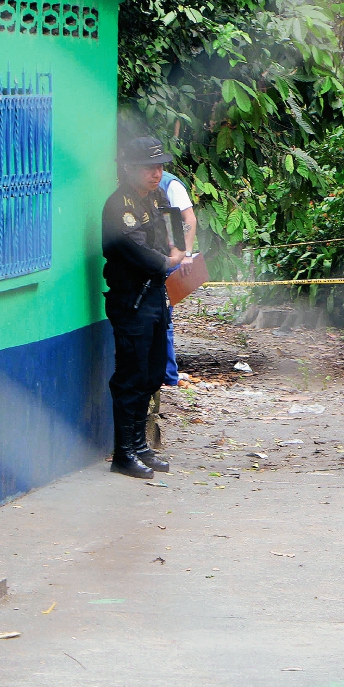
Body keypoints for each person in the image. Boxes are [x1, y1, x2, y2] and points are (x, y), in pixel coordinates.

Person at [102, 137, 185, 479]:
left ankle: (139, 445)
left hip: (153, 297)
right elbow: (141, 254)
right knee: (130, 377)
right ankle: (124, 452)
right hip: (131, 300)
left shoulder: (152, 198)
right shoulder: (119, 205)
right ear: (130, 168)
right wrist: (172, 259)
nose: (157, 173)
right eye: (150, 167)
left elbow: (169, 230)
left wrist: (176, 248)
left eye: (160, 167)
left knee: (151, 374)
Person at [158, 170, 198, 387]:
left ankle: (169, 375)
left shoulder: (170, 185)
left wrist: (186, 254)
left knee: (165, 317)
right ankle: (165, 373)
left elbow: (189, 217)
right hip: (153, 259)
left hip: (169, 259)